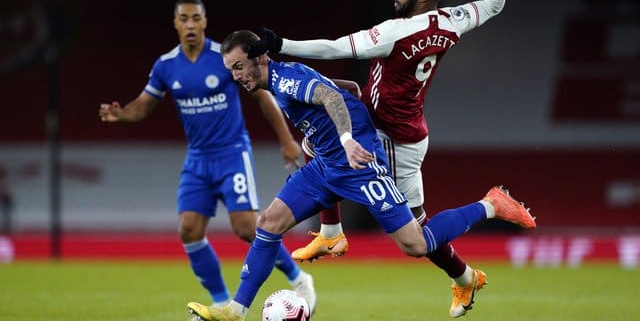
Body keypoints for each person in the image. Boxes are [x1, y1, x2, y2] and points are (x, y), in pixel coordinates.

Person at [186, 30, 535, 321]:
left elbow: (329, 98)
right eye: (230, 69)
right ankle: (236, 309)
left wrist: (349, 139)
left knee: (415, 243)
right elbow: (348, 89)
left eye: (238, 66)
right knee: (269, 222)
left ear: (259, 58)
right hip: (326, 166)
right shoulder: (280, 81)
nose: (236, 76)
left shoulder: (287, 79)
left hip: (358, 165)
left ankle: (490, 204)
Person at [249, 0, 507, 317]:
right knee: (318, 145)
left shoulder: (395, 32)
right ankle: (462, 278)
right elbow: (494, 3)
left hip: (389, 137)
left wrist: (282, 43)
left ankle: (491, 206)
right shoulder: (452, 19)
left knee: (415, 239)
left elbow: (335, 48)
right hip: (409, 129)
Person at [97, 0, 316, 312]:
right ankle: (218, 303)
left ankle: (298, 278)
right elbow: (143, 106)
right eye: (183, 18)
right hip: (197, 159)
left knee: (245, 229)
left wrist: (286, 140)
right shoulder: (166, 65)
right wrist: (123, 114)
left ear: (204, 22)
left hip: (232, 153)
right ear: (175, 23)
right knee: (188, 230)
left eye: (195, 18)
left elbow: (262, 98)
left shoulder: (224, 58)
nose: (190, 24)